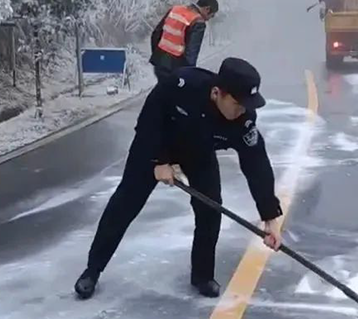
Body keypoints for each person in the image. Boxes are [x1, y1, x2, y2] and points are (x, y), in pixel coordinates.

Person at [74, 57, 284, 300]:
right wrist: (159, 161)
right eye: (237, 103)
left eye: (248, 105)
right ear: (217, 93)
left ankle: (203, 276)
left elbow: (256, 163)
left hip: (198, 153)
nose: (242, 110)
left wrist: (270, 216)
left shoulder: (244, 120)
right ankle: (92, 271)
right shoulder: (181, 85)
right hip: (156, 143)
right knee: (124, 204)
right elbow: (148, 122)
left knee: (210, 207)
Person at [149, 0, 219, 82]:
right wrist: (188, 76)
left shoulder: (175, 9)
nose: (208, 19)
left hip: (159, 62)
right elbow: (191, 53)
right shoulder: (198, 21)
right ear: (207, 9)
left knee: (162, 90)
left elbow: (156, 34)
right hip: (175, 68)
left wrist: (157, 55)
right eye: (211, 16)